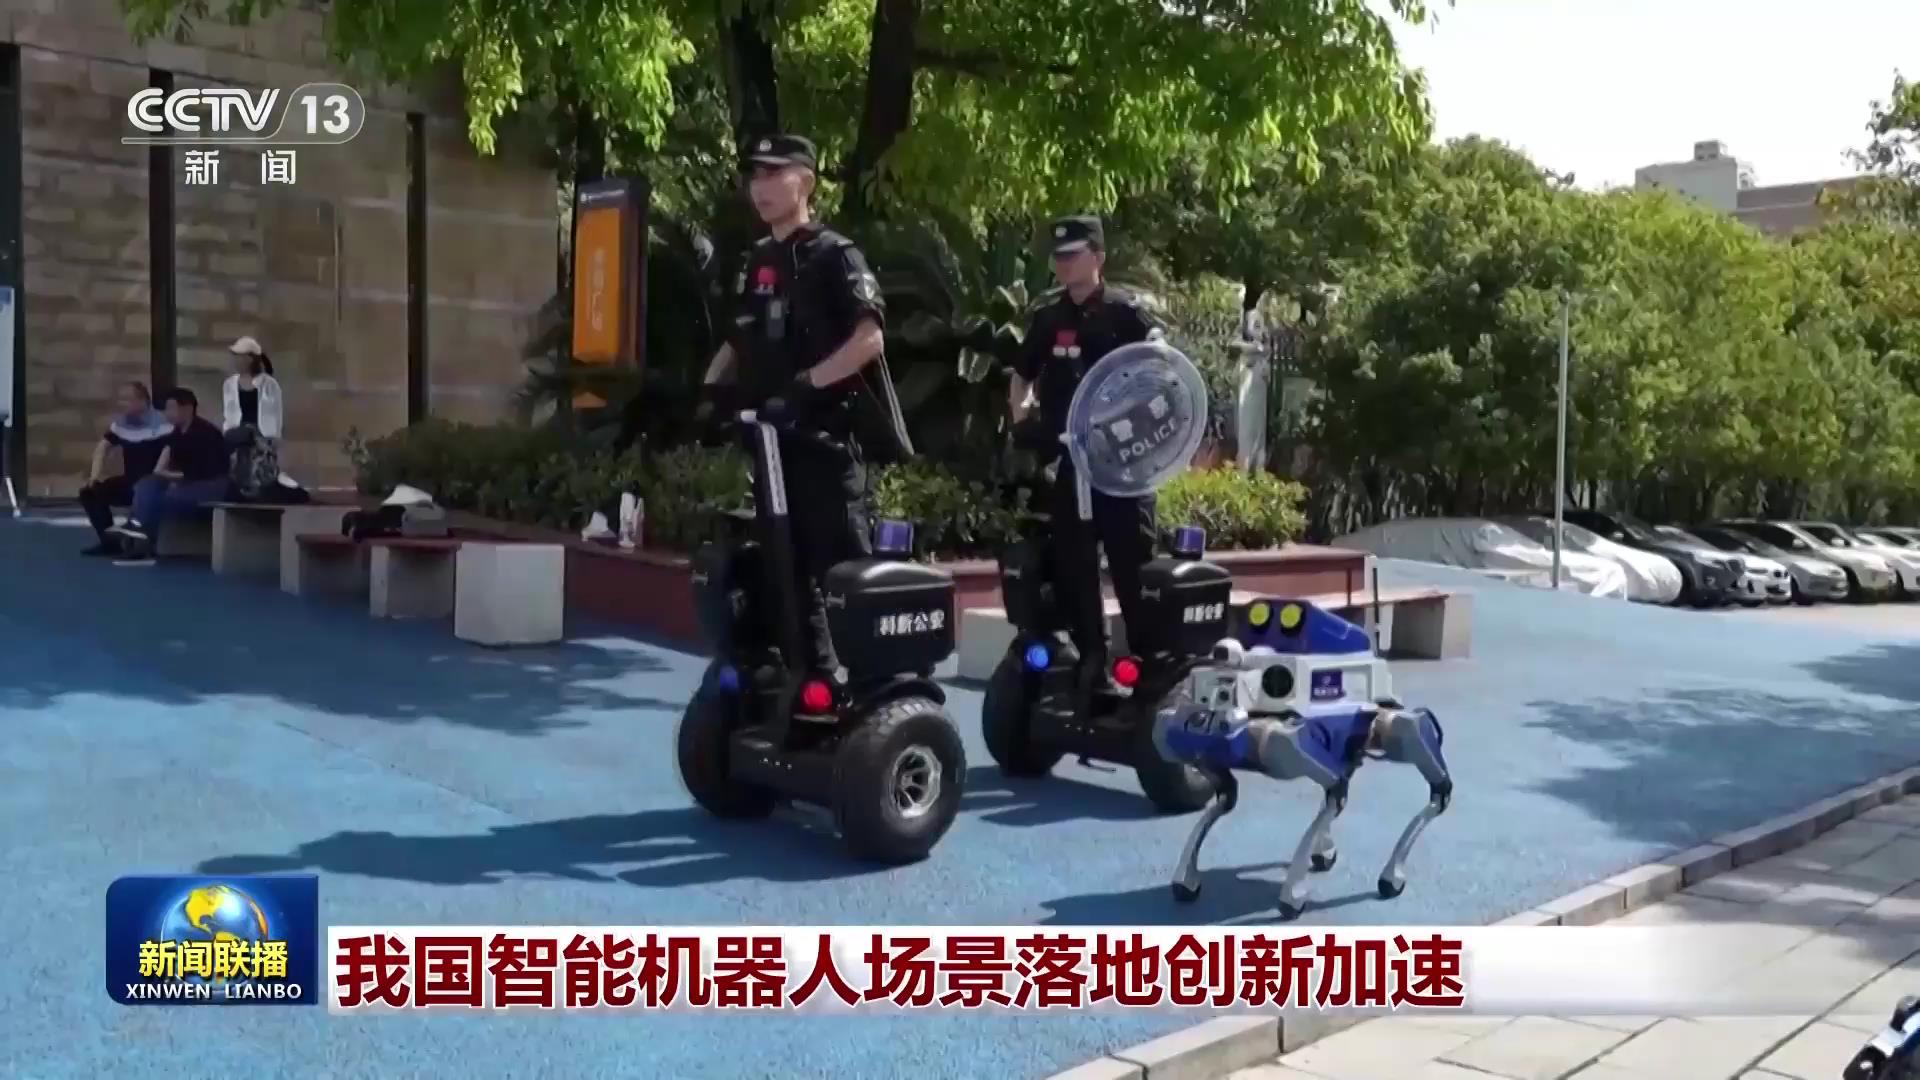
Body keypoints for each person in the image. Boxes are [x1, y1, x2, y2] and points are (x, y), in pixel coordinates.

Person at [695, 133, 893, 676]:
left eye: (773, 174)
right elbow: (738, 338)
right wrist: (710, 392)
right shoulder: (759, 260)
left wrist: (807, 385)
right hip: (772, 450)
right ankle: (813, 683)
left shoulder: (835, 255)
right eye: (755, 175)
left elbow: (870, 339)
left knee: (843, 579)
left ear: (804, 182)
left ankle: (873, 692)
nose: (759, 187)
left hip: (825, 448)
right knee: (786, 577)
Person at [1009, 214, 1166, 687]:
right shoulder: (1049, 317)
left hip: (1123, 468)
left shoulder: (1126, 313)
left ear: (1098, 258)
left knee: (1132, 566)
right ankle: (1092, 660)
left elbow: (1162, 369)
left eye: (1073, 255)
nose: (1063, 263)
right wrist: (1022, 419)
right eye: (1058, 256)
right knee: (1075, 568)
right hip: (1073, 464)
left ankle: (1148, 664)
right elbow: (1022, 374)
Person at [109, 388, 232, 566]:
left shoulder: (206, 433)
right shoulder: (177, 432)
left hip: (211, 486)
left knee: (161, 499)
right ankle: (137, 531)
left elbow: (204, 473)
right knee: (146, 485)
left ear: (187, 408)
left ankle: (138, 537)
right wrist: (159, 475)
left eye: (171, 408)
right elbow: (163, 463)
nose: (167, 413)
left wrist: (168, 477)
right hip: (187, 482)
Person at [77, 381, 172, 556]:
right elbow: (102, 448)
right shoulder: (121, 424)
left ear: (143, 401)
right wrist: (94, 477)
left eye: (127, 399)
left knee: (143, 491)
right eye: (121, 399)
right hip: (130, 482)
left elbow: (171, 451)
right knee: (90, 493)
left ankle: (141, 546)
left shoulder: (163, 423)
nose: (122, 404)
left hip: (155, 486)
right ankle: (110, 542)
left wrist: (157, 476)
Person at [222, 336, 285, 500]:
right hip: (239, 433)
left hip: (261, 434)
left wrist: (275, 436)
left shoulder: (269, 383)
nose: (236, 361)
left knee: (260, 473)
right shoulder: (229, 383)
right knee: (238, 471)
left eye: (240, 357)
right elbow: (229, 410)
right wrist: (228, 431)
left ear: (250, 359)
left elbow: (276, 411)